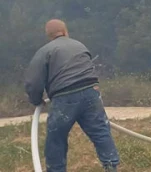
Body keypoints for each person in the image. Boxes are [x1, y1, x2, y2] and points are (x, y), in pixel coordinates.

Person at [24, 19, 120, 172]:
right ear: (65, 31)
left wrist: (36, 100)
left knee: (56, 139)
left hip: (64, 97)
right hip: (91, 92)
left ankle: (56, 170)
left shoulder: (45, 51)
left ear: (48, 35)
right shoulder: (79, 45)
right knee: (100, 131)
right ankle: (111, 166)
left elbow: (33, 81)